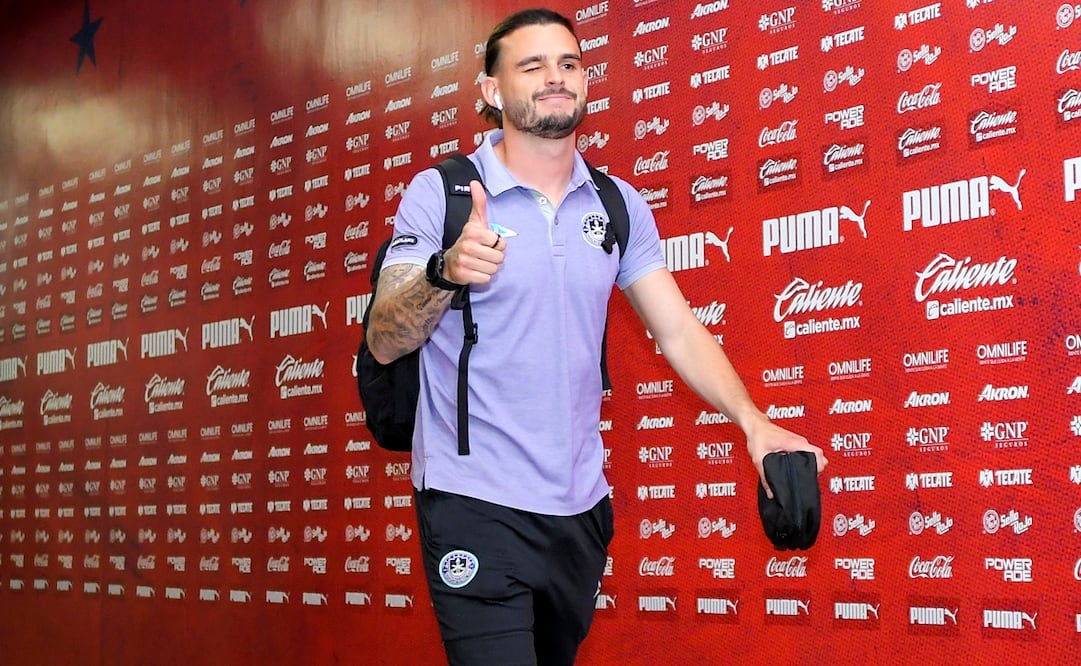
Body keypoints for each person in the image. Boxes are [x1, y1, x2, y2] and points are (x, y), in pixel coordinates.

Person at [366, 8, 828, 665]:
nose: (555, 77)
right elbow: (385, 340)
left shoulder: (616, 204)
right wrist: (445, 271)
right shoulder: (442, 195)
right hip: (471, 500)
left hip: (579, 508)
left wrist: (751, 420)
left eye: (568, 63)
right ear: (491, 92)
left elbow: (675, 329)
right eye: (531, 66)